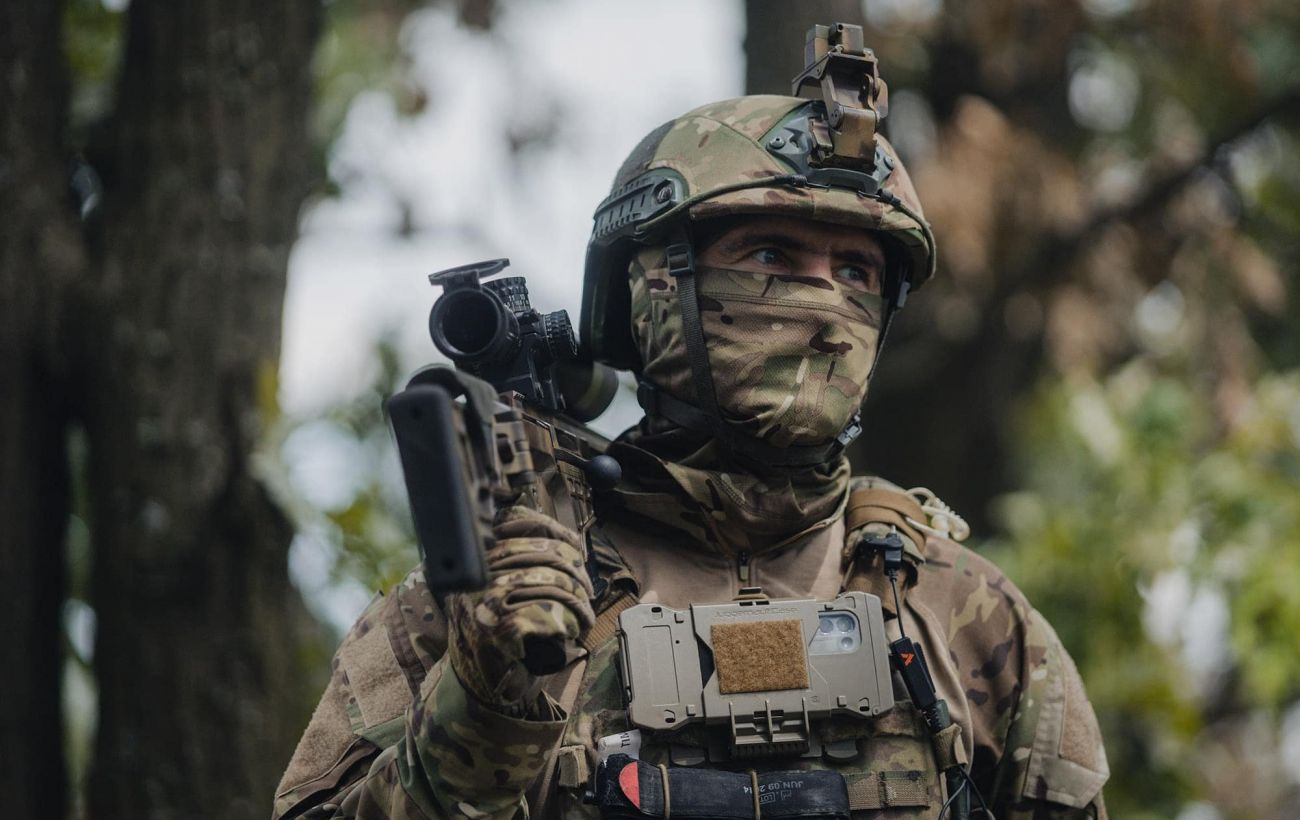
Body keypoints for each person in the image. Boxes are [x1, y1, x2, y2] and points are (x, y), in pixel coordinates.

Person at [273, 24, 1109, 820]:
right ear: (651, 291)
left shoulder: (965, 613)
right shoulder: (490, 597)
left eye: (856, 271)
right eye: (772, 257)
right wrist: (480, 705)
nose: (825, 306)